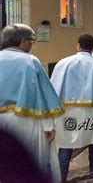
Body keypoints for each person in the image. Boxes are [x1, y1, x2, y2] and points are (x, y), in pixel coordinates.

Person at [0, 24, 64, 179]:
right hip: (26, 120)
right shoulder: (30, 61)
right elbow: (42, 95)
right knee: (31, 161)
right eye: (32, 41)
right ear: (23, 41)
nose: (32, 45)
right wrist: (49, 126)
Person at [51, 34, 93, 182]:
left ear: (78, 45)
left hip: (68, 111)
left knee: (66, 142)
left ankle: (62, 174)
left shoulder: (64, 63)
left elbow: (54, 87)